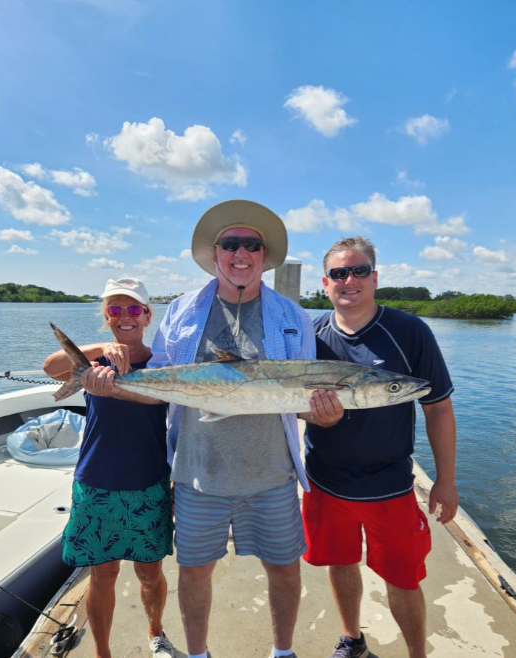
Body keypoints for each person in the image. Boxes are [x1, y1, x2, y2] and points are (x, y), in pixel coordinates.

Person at [81, 200, 342, 658]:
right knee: (195, 572)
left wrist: (326, 414)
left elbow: (295, 402)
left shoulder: (295, 317)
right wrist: (111, 387)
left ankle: (283, 652)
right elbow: (161, 385)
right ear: (215, 253)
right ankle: (198, 654)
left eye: (252, 245)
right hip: (199, 475)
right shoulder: (181, 312)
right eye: (230, 244)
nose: (241, 253)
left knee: (284, 569)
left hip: (272, 475)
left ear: (264, 255)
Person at [302, 237, 459, 658]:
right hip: (324, 478)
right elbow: (284, 400)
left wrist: (446, 480)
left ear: (375, 277)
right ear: (325, 282)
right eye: (339, 273)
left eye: (358, 271)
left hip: (388, 483)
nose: (348, 280)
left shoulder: (410, 331)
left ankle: (416, 655)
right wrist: (311, 416)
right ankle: (351, 639)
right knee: (339, 562)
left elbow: (439, 408)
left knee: (403, 578)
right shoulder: (309, 334)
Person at [42, 277, 176, 658]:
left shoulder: (162, 363)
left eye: (133, 309)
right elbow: (51, 366)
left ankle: (156, 633)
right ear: (106, 316)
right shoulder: (93, 362)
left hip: (148, 483)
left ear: (147, 316)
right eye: (115, 309)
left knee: (150, 572)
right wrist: (103, 347)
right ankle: (102, 651)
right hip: (97, 483)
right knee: (103, 574)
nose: (125, 317)